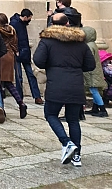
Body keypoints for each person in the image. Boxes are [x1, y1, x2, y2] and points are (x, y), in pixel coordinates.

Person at [34, 13, 95, 167]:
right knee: (73, 120)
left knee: (50, 114)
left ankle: (67, 143)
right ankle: (77, 156)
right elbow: (90, 65)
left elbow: (38, 61)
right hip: (75, 85)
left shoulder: (47, 41)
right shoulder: (80, 42)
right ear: (67, 23)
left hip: (56, 84)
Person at [0, 13, 27, 119]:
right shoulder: (12, 29)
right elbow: (15, 43)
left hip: (0, 56)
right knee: (8, 82)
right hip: (10, 55)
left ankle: (0, 107)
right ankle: (21, 103)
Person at [10, 8, 43, 105]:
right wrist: (16, 50)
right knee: (19, 76)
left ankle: (37, 96)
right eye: (29, 18)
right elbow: (12, 38)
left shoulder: (22, 24)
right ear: (25, 17)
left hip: (24, 52)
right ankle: (19, 98)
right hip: (18, 52)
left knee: (31, 75)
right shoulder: (14, 24)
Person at [82, 26, 108, 117]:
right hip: (94, 71)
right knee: (94, 90)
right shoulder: (92, 44)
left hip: (91, 72)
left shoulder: (89, 46)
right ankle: (95, 108)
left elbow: (88, 59)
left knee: (94, 91)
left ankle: (102, 109)